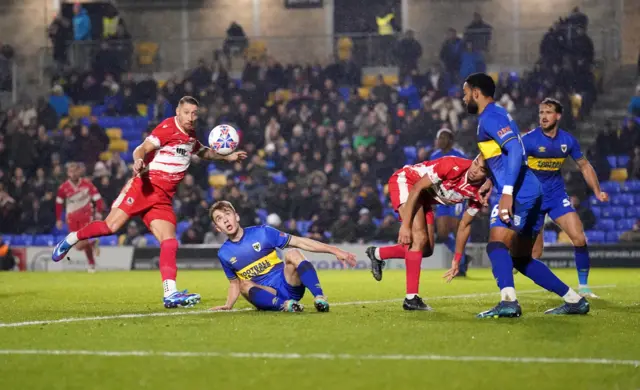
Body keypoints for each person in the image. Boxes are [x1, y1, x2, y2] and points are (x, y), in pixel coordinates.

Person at [52, 96, 247, 309]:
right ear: (178, 112)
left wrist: (226, 157)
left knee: (170, 241)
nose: (191, 117)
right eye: (187, 113)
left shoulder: (190, 134)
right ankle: (71, 239)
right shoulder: (166, 127)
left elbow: (201, 151)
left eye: (194, 113)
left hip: (162, 199)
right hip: (144, 187)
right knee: (110, 227)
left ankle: (170, 293)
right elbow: (142, 148)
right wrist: (137, 160)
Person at [455, 73, 588, 318]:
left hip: (519, 192)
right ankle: (574, 300)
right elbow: (502, 156)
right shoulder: (498, 115)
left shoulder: (490, 118)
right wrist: (490, 180)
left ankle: (508, 302)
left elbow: (515, 149)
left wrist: (506, 192)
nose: (463, 99)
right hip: (530, 190)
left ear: (476, 93)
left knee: (496, 245)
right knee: (520, 257)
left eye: (465, 93)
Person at [365, 155, 491, 311]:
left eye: (482, 169)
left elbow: (465, 225)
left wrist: (457, 259)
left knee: (426, 249)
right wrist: (405, 225)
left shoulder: (480, 192)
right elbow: (417, 187)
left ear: (488, 174)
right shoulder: (451, 165)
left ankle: (377, 254)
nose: (474, 170)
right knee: (419, 238)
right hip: (408, 182)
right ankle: (411, 299)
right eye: (475, 163)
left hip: (425, 197)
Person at [521, 98, 608, 298]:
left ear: (558, 116)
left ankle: (584, 287)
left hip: (556, 196)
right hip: (532, 199)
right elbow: (513, 164)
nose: (543, 116)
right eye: (541, 112)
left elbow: (584, 166)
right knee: (535, 254)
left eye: (548, 112)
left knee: (579, 238)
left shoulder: (567, 141)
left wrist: (597, 191)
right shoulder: (529, 140)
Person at [209, 201, 356, 313]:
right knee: (244, 284)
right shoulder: (224, 254)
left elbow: (300, 241)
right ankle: (287, 306)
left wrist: (334, 250)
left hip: (288, 284)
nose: (226, 220)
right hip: (267, 294)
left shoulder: (263, 232)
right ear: (217, 227)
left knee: (293, 253)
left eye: (228, 214)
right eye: (220, 218)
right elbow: (234, 284)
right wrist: (228, 305)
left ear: (237, 216)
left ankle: (319, 297)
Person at [429, 128, 471, 276]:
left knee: (455, 228)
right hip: (441, 197)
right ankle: (464, 257)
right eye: (439, 138)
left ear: (450, 141)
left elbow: (469, 175)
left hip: (456, 196)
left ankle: (462, 264)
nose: (440, 141)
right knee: (442, 234)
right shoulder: (434, 156)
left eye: (443, 138)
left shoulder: (459, 156)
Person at [55, 162, 104, 273]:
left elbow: (98, 199)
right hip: (71, 218)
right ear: (68, 173)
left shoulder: (88, 184)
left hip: (86, 217)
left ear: (79, 171)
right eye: (71, 171)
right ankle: (92, 255)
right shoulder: (63, 188)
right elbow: (58, 204)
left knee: (78, 245)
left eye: (75, 171)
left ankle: (91, 262)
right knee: (80, 245)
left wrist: (99, 212)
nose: (73, 174)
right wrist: (58, 218)